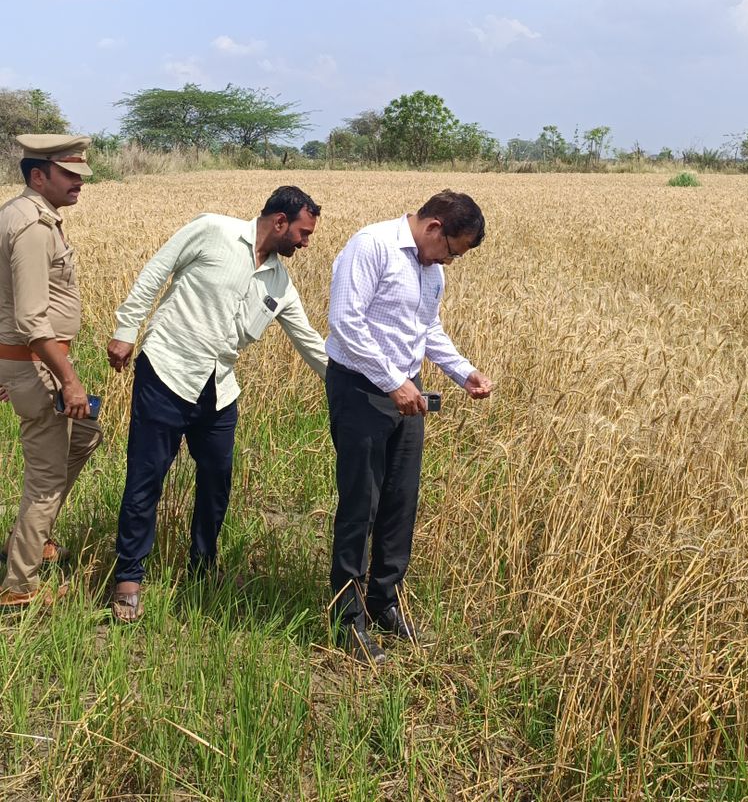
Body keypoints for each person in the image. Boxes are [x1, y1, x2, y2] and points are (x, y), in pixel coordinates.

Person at [106, 185, 328, 622]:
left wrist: (354, 386)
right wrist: (126, 329)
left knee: (217, 481)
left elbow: (310, 343)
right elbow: (157, 271)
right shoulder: (213, 231)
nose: (304, 243)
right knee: (146, 478)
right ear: (280, 222)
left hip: (218, 388)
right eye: (303, 233)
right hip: (167, 370)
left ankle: (202, 568)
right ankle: (129, 579)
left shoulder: (280, 283)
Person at [326, 189, 493, 662]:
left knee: (401, 501)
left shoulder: (431, 270)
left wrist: (464, 372)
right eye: (452, 251)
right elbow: (345, 323)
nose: (450, 262)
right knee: (363, 501)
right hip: (361, 387)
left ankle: (383, 602)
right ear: (435, 227)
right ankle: (346, 619)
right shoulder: (371, 245)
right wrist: (393, 382)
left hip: (407, 393)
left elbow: (426, 330)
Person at [0, 134, 103, 610]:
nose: (80, 184)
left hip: (32, 362)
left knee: (84, 436)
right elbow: (30, 319)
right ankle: (20, 586)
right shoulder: (33, 227)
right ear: (38, 176)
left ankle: (30, 538)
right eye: (70, 175)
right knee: (45, 479)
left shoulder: (24, 216)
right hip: (38, 365)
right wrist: (70, 380)